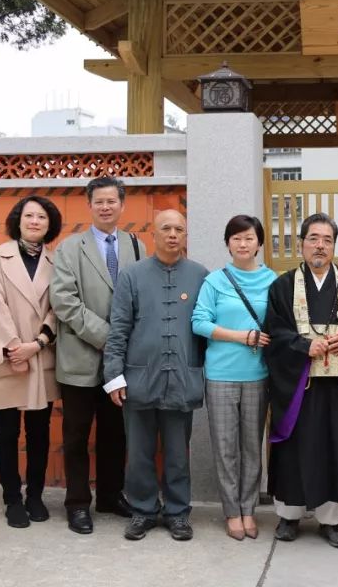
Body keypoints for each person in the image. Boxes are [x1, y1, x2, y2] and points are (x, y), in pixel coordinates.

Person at [264, 214, 338, 549]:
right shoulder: (283, 285)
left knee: (336, 447)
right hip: (299, 384)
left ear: (333, 245)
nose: (319, 245)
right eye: (313, 238)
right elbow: (275, 330)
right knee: (295, 448)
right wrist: (304, 345)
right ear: (301, 243)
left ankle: (332, 521)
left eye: (327, 239)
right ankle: (289, 515)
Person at [103, 210, 209, 541]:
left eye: (180, 229)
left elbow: (206, 330)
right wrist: (114, 376)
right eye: (167, 228)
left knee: (178, 454)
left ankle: (178, 513)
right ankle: (143, 511)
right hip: (138, 380)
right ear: (154, 233)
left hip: (181, 378)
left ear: (185, 235)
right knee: (139, 453)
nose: (173, 234)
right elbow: (118, 329)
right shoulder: (131, 276)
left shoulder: (200, 275)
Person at [50, 176, 145, 534]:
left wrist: (122, 345)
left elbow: (142, 296)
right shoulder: (70, 248)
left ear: (122, 205)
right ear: (89, 206)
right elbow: (63, 301)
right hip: (79, 359)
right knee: (75, 435)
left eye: (112, 201)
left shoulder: (136, 245)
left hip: (119, 364)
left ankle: (110, 494)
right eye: (99, 201)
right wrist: (109, 337)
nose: (106, 207)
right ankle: (77, 503)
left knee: (115, 434)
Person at [0, 195, 62, 528]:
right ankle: (12, 499)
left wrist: (37, 344)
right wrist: (14, 349)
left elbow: (60, 307)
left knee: (39, 431)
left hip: (40, 354)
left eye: (42, 216)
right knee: (7, 431)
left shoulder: (57, 261)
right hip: (6, 355)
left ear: (50, 224)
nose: (36, 221)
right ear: (18, 220)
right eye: (29, 215)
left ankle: (35, 496)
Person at [191, 214, 277, 541]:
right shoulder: (215, 281)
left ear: (259, 243)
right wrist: (241, 336)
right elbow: (199, 322)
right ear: (227, 243)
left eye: (249, 238)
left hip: (258, 374)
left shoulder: (273, 280)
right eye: (236, 238)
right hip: (221, 375)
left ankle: (249, 508)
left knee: (252, 447)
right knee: (225, 447)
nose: (243, 244)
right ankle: (231, 511)